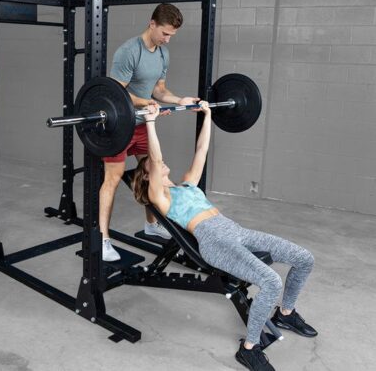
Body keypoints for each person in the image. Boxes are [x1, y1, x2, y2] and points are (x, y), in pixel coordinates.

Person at [132, 103, 318, 371]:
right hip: (214, 241)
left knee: (304, 258)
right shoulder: (159, 196)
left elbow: (201, 151)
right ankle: (249, 348)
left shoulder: (187, 184)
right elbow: (155, 155)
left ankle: (286, 314)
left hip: (235, 230)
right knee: (270, 282)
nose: (160, 162)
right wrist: (150, 123)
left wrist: (208, 115)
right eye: (153, 163)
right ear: (147, 175)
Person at [100, 3, 200, 261]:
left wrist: (179, 100)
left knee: (153, 171)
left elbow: (159, 91)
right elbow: (117, 94)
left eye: (171, 36)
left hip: (143, 124)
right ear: (152, 23)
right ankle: (103, 240)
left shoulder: (163, 54)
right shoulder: (129, 51)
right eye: (165, 33)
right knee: (113, 178)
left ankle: (151, 225)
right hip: (119, 125)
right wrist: (147, 103)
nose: (168, 39)